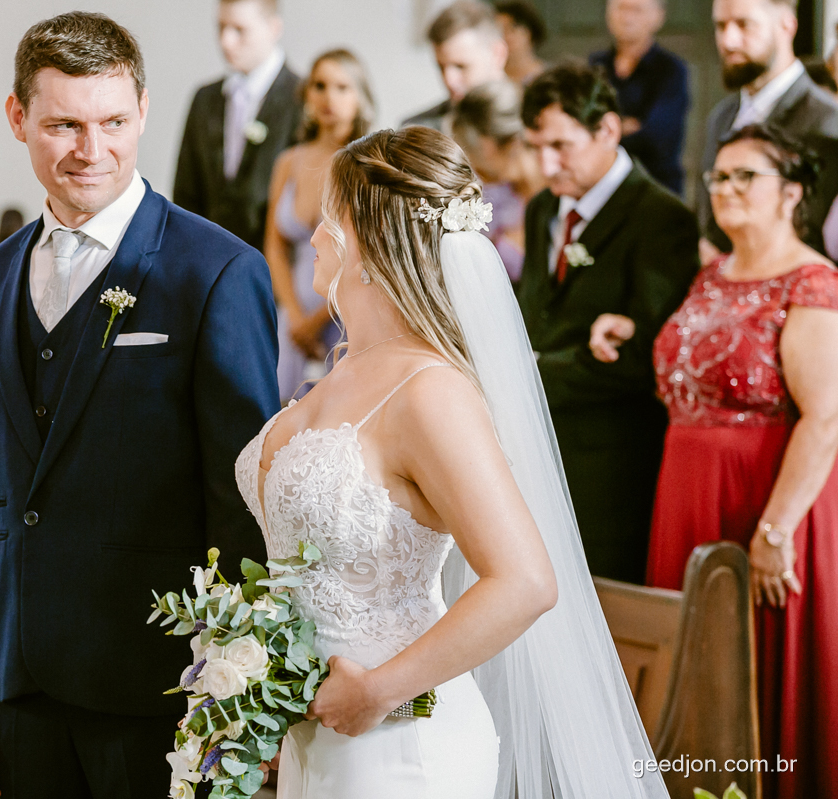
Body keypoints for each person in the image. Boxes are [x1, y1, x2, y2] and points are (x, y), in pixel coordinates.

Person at [235, 125, 671, 798]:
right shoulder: (342, 369)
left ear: (370, 244)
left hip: (398, 738)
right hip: (316, 734)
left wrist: (379, 690)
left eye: (329, 219)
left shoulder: (429, 390)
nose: (313, 237)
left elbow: (525, 581)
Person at [0, 13, 279, 798]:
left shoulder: (216, 273)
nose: (92, 150)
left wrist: (234, 688)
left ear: (144, 112)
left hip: (157, 690)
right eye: (64, 125)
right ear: (18, 117)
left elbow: (242, 504)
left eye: (114, 123)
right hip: (21, 681)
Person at [588, 125, 838, 799]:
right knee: (693, 659)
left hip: (764, 498)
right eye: (718, 176)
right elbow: (696, 365)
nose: (725, 189)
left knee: (758, 663)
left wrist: (775, 530)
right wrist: (632, 331)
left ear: (791, 193)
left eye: (744, 176)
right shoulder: (710, 274)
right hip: (686, 491)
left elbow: (826, 417)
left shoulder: (813, 282)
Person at [516, 61, 699, 583]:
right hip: (535, 451)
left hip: (610, 465)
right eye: (535, 147)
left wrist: (527, 373)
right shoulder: (542, 209)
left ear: (608, 130)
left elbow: (642, 358)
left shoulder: (661, 219)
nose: (547, 165)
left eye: (561, 145)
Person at [266, 49, 375, 402]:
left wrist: (317, 320)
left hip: (346, 310)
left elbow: (369, 251)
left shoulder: (369, 164)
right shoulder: (288, 161)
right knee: (281, 406)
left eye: (342, 87)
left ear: (361, 96)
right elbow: (274, 246)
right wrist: (295, 317)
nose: (329, 97)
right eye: (320, 86)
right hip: (293, 310)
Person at [700, 0, 838, 261]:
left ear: (787, 25)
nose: (728, 41)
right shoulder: (722, 116)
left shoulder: (827, 122)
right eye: (721, 26)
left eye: (744, 25)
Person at [174, 0, 303, 251]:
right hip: (207, 256)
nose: (226, 41)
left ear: (274, 28)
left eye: (239, 30)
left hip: (274, 263)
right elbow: (185, 193)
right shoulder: (204, 99)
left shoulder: (302, 99)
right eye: (221, 27)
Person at [588, 0, 690, 194]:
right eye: (621, 8)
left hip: (657, 187)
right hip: (602, 187)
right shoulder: (595, 66)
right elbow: (583, 128)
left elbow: (655, 138)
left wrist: (606, 130)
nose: (627, 18)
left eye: (636, 10)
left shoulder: (671, 70)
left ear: (658, 16)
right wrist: (627, 125)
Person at [452, 80, 546, 282]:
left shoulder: (562, 188)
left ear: (486, 145)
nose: (473, 167)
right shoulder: (491, 200)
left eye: (469, 150)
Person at [404, 1, 508, 132]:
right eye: (441, 67)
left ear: (498, 54)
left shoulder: (530, 119)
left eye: (460, 66)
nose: (449, 80)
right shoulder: (417, 132)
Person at [494, 0, 547, 84]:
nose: (505, 37)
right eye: (499, 30)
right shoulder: (491, 78)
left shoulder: (548, 76)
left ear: (529, 31)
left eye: (511, 29)